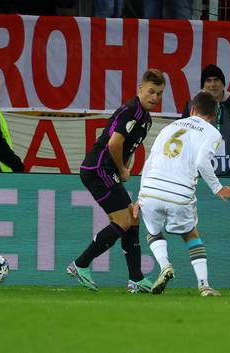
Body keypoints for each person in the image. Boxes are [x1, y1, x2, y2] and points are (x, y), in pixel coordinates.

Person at [66, 69, 166, 292]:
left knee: (132, 217)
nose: (155, 98)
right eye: (151, 92)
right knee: (123, 220)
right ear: (140, 89)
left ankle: (136, 279)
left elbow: (127, 145)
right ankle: (80, 264)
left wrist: (125, 166)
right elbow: (114, 144)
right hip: (98, 168)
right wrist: (122, 169)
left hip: (104, 170)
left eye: (159, 94)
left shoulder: (145, 118)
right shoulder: (133, 111)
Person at [138, 91, 230, 297]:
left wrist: (140, 197)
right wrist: (218, 188)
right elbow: (201, 162)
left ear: (192, 110)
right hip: (179, 193)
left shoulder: (169, 127)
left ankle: (165, 265)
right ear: (215, 115)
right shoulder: (212, 133)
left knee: (153, 231)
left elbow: (150, 160)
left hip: (151, 189)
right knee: (191, 234)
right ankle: (204, 285)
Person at [181, 64, 230, 177]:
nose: (213, 84)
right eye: (208, 81)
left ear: (223, 83)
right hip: (201, 178)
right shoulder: (191, 107)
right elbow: (182, 141)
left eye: (216, 80)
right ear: (203, 85)